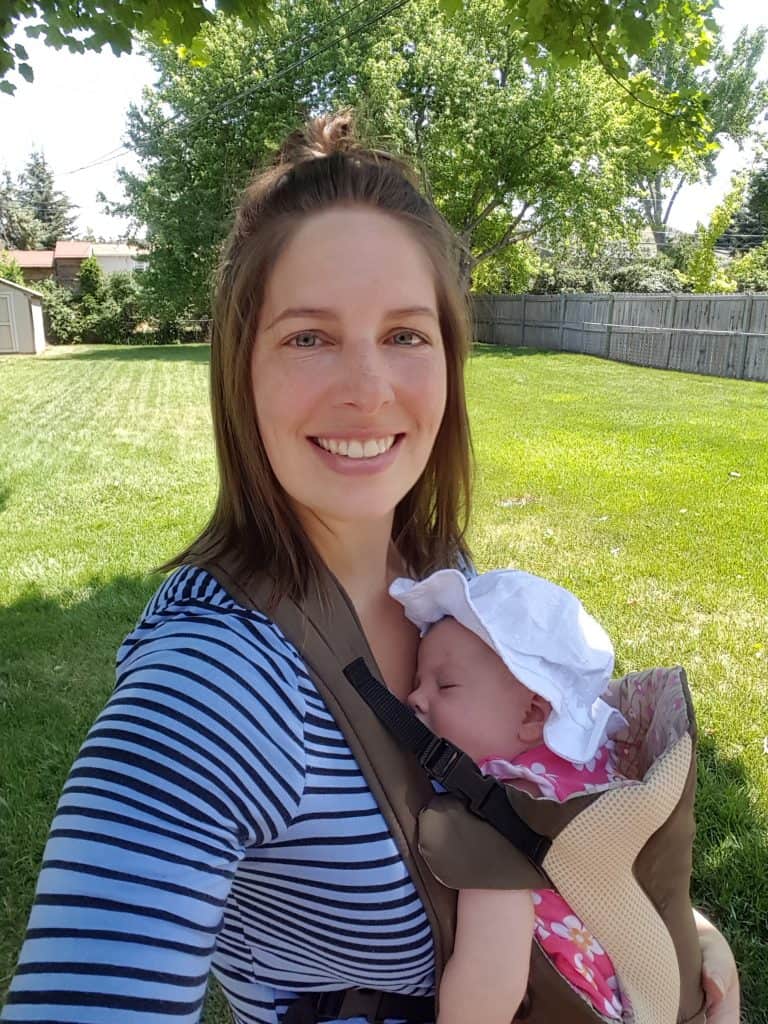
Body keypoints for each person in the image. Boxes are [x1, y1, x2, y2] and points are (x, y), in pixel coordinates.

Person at [1, 112, 739, 1024]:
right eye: (309, 337)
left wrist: (681, 929)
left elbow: (537, 791)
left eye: (405, 334)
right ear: (242, 372)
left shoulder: (440, 581)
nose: (367, 388)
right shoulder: (212, 687)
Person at [392, 567, 650, 1024]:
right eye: (417, 681)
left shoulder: (505, 812)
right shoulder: (586, 772)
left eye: (444, 684)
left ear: (532, 712)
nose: (414, 698)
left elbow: (492, 978)